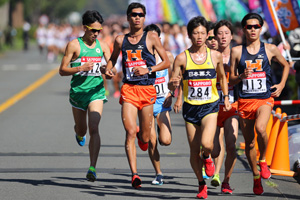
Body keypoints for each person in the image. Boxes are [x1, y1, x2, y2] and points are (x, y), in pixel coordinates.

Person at [105, 2, 170, 189]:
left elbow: (165, 62)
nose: (137, 17)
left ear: (144, 17)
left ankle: (144, 136)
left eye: (141, 15)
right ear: (127, 17)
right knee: (130, 132)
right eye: (133, 14)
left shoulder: (151, 38)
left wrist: (148, 69)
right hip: (129, 89)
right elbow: (113, 60)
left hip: (148, 90)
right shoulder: (120, 40)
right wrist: (108, 70)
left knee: (146, 137)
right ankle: (135, 174)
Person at [168, 16, 231, 199]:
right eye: (195, 33)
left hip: (210, 106)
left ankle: (208, 157)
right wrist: (173, 85)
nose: (199, 36)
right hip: (191, 108)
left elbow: (222, 78)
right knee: (194, 151)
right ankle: (201, 183)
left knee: (207, 144)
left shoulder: (215, 56)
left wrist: (225, 97)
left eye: (203, 33)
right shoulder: (181, 58)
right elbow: (173, 84)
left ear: (207, 35)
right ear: (189, 35)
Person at [229, 13, 290, 195]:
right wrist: (241, 76)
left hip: (264, 99)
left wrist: (281, 84)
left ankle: (263, 160)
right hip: (245, 101)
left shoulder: (270, 49)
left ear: (261, 28)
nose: (253, 29)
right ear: (244, 29)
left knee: (261, 128)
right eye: (249, 27)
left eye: (256, 26)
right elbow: (231, 80)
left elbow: (286, 65)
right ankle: (256, 176)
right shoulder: (236, 51)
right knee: (248, 143)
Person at [59, 10, 111, 182]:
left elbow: (111, 69)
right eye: (93, 30)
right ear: (85, 28)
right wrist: (80, 68)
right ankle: (78, 132)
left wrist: (108, 71)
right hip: (78, 94)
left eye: (99, 31)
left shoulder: (102, 46)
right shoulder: (74, 45)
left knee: (94, 128)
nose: (96, 34)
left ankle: (92, 167)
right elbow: (62, 70)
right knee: (82, 129)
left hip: (96, 92)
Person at [143, 24, 174, 185]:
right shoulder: (141, 59)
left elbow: (176, 78)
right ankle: (158, 173)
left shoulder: (167, 56)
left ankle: (161, 128)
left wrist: (172, 93)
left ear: (159, 39)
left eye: (154, 37)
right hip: (147, 103)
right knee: (151, 141)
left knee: (166, 140)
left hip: (162, 102)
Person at [210, 20, 239, 194]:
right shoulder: (208, 55)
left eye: (226, 33)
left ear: (232, 36)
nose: (222, 36)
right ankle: (209, 162)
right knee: (213, 149)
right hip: (213, 107)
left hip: (232, 107)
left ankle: (226, 180)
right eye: (219, 33)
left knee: (231, 144)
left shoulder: (238, 54)